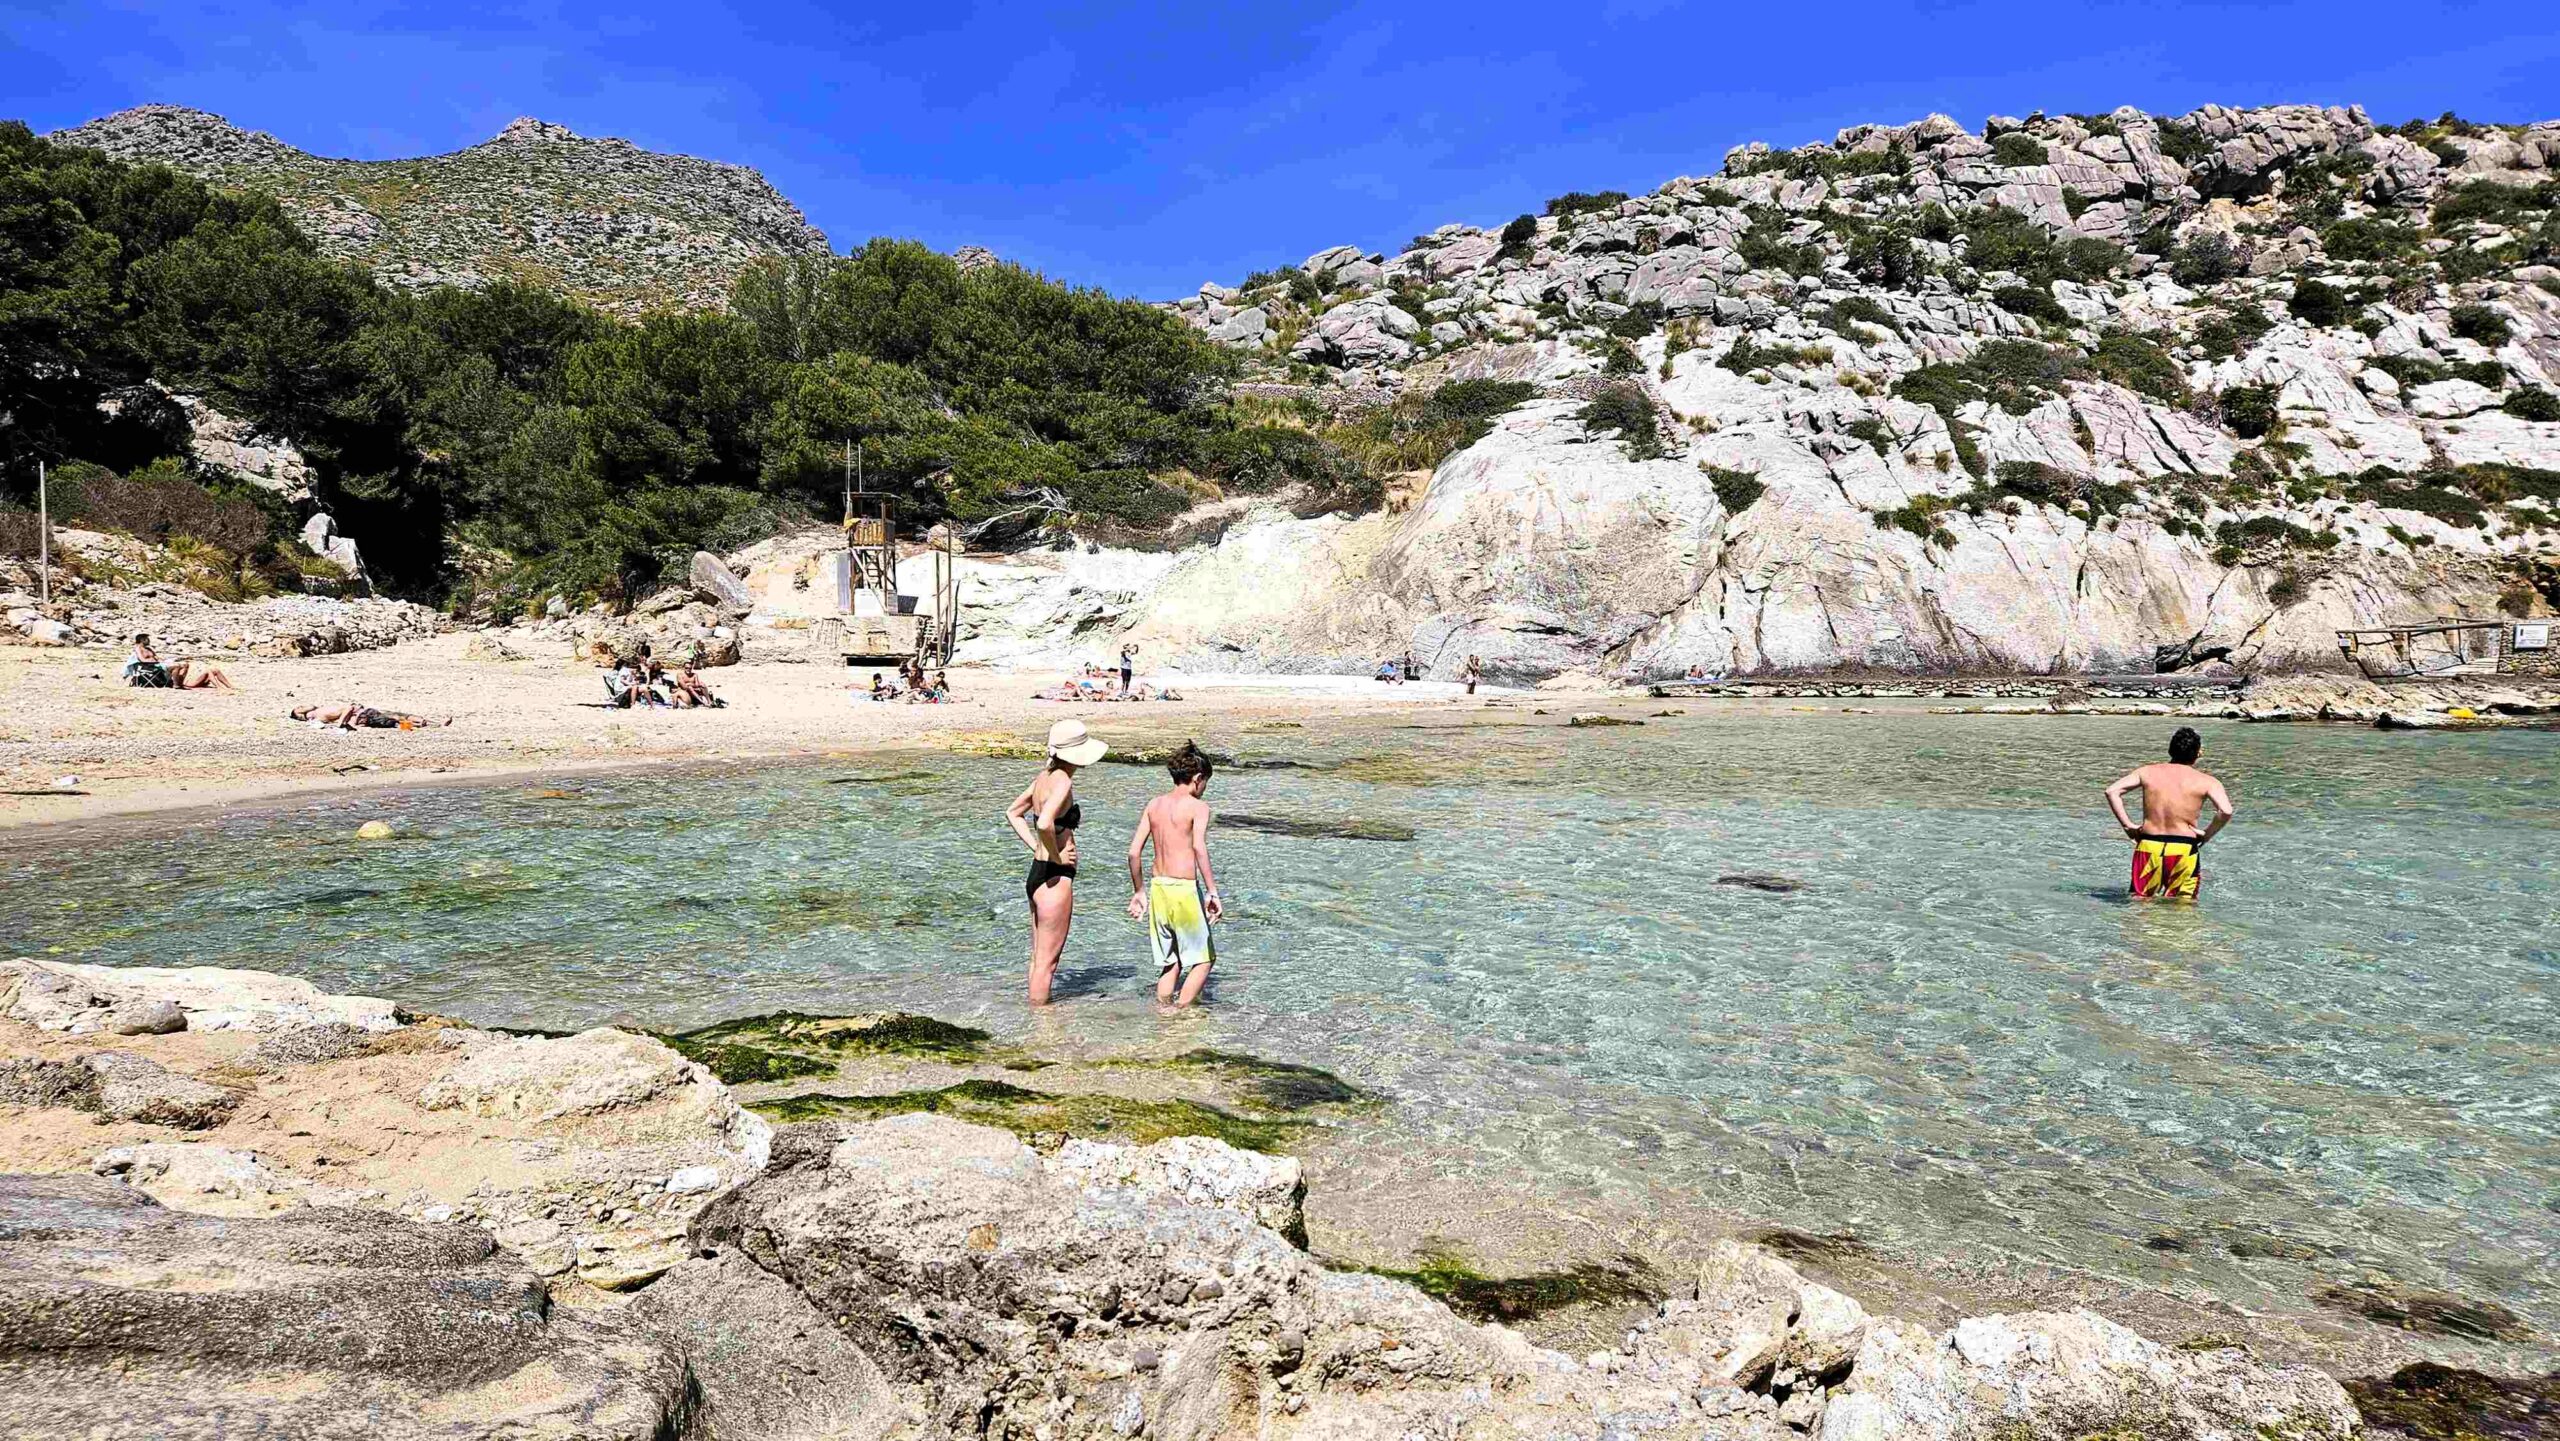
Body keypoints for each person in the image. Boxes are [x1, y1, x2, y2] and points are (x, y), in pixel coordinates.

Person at [1007, 718, 1108, 1005]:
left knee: (1038, 960)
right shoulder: (1063, 780)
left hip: (1038, 873)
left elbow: (1013, 812)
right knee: (1047, 964)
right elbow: (1045, 823)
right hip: (1054, 875)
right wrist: (1057, 856)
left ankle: (1034, 1017)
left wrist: (1037, 849)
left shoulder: (1043, 777)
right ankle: (1044, 1024)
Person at [1127, 741, 1222, 1008]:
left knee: (1172, 961)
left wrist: (1139, 891)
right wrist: (1212, 891)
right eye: (1206, 783)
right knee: (1204, 960)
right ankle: (1180, 1013)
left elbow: (1133, 852)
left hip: (1159, 889)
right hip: (1184, 890)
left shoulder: (1154, 805)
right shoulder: (1198, 807)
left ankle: (1162, 1011)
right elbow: (1198, 847)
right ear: (1198, 778)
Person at [2103, 726, 2234, 901]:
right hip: (2183, 848)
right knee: (2183, 905)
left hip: (2149, 845)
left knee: (2140, 901)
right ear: (2198, 753)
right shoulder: (2207, 781)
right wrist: (2206, 835)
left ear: (2170, 750)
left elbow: (2112, 791)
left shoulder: (2146, 772)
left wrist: (2128, 826)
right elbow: (2226, 811)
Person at [126, 633, 232, 690]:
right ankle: (176, 685)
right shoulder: (138, 649)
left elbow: (158, 657)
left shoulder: (149, 649)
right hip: (150, 667)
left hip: (159, 665)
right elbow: (142, 660)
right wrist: (156, 662)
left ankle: (179, 682)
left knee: (185, 664)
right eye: (147, 639)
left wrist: (167, 660)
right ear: (142, 640)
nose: (149, 641)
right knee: (176, 666)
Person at [290, 702, 449, 729]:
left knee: (396, 719)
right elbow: (348, 709)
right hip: (364, 714)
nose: (302, 705)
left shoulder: (319, 714)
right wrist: (342, 724)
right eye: (300, 708)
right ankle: (429, 725)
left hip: (364, 714)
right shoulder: (320, 713)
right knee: (395, 720)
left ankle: (432, 723)